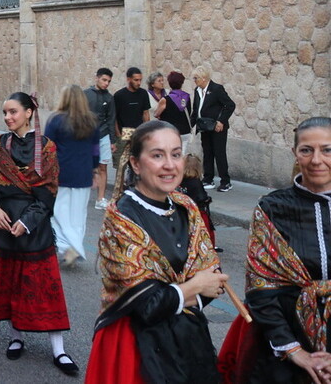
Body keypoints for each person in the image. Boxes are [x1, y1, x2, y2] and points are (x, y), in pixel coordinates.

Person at [86, 121, 226, 384]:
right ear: (136, 164)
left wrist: (185, 291)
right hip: (135, 347)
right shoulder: (121, 218)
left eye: (175, 154)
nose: (170, 165)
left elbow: (213, 280)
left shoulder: (186, 206)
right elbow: (147, 308)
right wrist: (194, 286)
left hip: (188, 338)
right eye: (157, 155)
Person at [217, 117, 331, 382]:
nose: (316, 160)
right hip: (284, 347)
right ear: (295, 153)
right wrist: (295, 351)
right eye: (306, 150)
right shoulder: (272, 208)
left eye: (327, 150)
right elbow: (261, 289)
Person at [0, 92, 78, 375]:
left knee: (45, 288)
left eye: (13, 112)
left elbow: (49, 191)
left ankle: (59, 350)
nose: (8, 117)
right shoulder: (0, 144)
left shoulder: (46, 147)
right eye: (6, 113)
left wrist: (26, 222)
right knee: (12, 284)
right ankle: (16, 337)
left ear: (28, 113)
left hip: (34, 228)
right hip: (2, 227)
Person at [46, 85, 100, 266]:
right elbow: (95, 151)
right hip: (83, 173)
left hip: (60, 173)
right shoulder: (92, 122)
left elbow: (48, 148)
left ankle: (64, 245)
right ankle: (74, 246)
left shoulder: (55, 121)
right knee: (78, 214)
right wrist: (94, 170)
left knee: (59, 211)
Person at [191, 66, 236, 192]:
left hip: (217, 128)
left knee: (219, 153)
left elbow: (230, 105)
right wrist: (191, 124)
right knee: (207, 152)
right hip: (204, 126)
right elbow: (196, 109)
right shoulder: (197, 91)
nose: (194, 80)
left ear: (203, 78)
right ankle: (208, 178)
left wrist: (221, 121)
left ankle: (225, 181)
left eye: (196, 78)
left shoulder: (216, 89)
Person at [112, 67, 151, 201]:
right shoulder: (119, 95)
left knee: (140, 164)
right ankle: (118, 195)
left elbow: (146, 114)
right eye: (136, 80)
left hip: (139, 133)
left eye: (140, 80)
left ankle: (141, 192)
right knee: (121, 166)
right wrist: (117, 135)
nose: (139, 83)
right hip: (123, 134)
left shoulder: (143, 94)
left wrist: (147, 131)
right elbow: (115, 117)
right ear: (128, 79)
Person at [85, 69, 117, 210]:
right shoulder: (85, 95)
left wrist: (113, 140)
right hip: (87, 136)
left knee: (103, 167)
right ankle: (82, 196)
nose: (106, 83)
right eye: (104, 80)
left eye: (108, 81)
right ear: (97, 78)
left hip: (103, 136)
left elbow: (111, 119)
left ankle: (100, 199)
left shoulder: (109, 98)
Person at [159, 71, 193, 151]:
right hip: (185, 132)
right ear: (182, 83)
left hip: (170, 132)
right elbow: (189, 111)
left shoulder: (165, 99)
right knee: (182, 157)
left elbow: (156, 114)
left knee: (171, 156)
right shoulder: (187, 97)